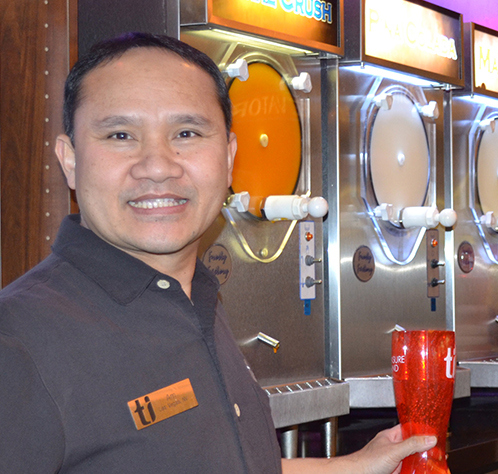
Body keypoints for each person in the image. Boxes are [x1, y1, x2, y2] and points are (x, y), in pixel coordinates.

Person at [0, 33, 434, 473]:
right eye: (120, 135)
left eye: (186, 133)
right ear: (70, 161)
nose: (158, 165)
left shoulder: (196, 298)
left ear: (228, 157)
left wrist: (358, 465)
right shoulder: (18, 340)